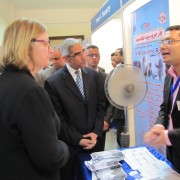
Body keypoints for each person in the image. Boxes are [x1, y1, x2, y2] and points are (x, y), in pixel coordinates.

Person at [0, 18, 69, 180]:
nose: (51, 50)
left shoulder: (6, 81)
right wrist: (65, 148)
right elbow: (50, 158)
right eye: (46, 43)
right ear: (26, 45)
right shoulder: (30, 91)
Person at [44, 38, 105, 179]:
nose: (83, 56)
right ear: (66, 58)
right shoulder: (53, 83)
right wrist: (78, 139)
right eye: (78, 54)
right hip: (72, 147)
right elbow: (58, 118)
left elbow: (100, 106)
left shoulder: (93, 76)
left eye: (83, 51)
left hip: (95, 144)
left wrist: (96, 132)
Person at [144, 25, 180, 171]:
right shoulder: (169, 76)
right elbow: (165, 108)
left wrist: (167, 136)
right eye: (162, 42)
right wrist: (160, 125)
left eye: (169, 41)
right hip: (174, 152)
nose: (163, 47)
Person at [86, 44, 112, 150]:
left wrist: (106, 120)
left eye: (97, 55)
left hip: (101, 123)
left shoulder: (106, 77)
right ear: (85, 56)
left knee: (100, 152)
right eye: (91, 55)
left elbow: (111, 101)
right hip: (85, 124)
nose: (94, 58)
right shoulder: (80, 77)